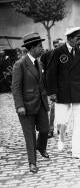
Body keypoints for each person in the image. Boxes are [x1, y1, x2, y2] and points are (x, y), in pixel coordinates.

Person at [47, 27, 80, 160]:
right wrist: (52, 92)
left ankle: (76, 151)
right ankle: (61, 141)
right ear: (69, 39)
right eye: (78, 39)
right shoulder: (58, 52)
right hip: (62, 93)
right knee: (62, 121)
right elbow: (51, 73)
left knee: (78, 122)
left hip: (78, 92)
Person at [11, 32, 50, 173]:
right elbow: (15, 87)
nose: (42, 48)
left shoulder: (39, 63)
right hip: (26, 106)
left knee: (46, 129)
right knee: (30, 136)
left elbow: (41, 84)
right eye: (40, 46)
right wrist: (19, 105)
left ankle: (41, 146)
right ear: (32, 48)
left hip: (40, 104)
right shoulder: (19, 64)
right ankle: (32, 163)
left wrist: (47, 98)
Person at [40, 38, 64, 138]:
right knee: (53, 108)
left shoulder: (65, 55)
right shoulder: (46, 55)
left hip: (64, 85)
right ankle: (51, 129)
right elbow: (43, 70)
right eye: (57, 46)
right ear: (54, 46)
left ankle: (60, 128)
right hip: (53, 87)